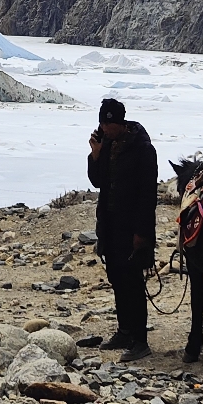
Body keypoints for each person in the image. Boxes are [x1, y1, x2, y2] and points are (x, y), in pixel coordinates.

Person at [87, 97, 158, 360]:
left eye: (110, 124)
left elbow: (147, 194)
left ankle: (140, 340)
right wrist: (96, 156)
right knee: (117, 277)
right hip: (110, 222)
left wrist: (142, 232)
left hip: (133, 226)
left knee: (133, 281)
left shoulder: (142, 149)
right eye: (103, 124)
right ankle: (124, 330)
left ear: (120, 123)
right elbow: (98, 182)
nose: (106, 129)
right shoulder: (106, 145)